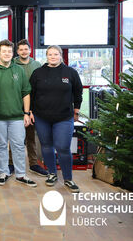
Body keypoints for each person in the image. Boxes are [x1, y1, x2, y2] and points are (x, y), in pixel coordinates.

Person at [30, 45, 83, 193]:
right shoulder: (38, 73)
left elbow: (78, 91)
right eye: (50, 54)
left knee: (62, 147)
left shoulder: (70, 72)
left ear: (61, 56)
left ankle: (68, 179)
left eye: (55, 54)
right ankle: (52, 174)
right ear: (46, 56)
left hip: (64, 117)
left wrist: (77, 109)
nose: (53, 57)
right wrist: (30, 111)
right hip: (42, 117)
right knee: (46, 146)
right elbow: (31, 94)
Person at [0, 40, 37, 187]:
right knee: (0, 145)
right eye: (4, 51)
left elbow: (26, 93)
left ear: (13, 53)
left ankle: (21, 174)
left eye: (9, 51)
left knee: (18, 145)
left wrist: (26, 112)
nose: (7, 54)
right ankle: (4, 172)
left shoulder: (19, 70)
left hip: (17, 116)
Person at [14, 39, 48, 177]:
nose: (23, 51)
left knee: (31, 138)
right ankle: (11, 164)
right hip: (16, 106)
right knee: (15, 138)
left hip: (32, 106)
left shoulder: (37, 65)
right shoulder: (13, 64)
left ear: (30, 50)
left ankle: (33, 164)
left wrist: (32, 109)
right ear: (17, 51)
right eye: (21, 49)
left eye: (26, 49)